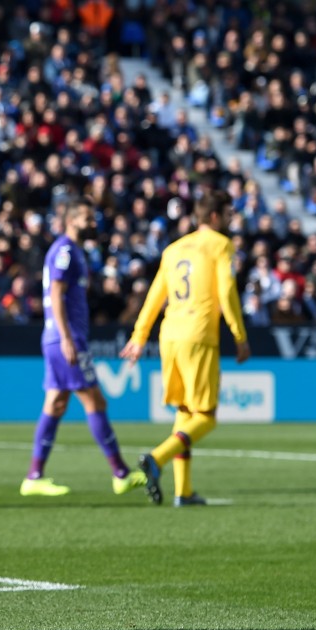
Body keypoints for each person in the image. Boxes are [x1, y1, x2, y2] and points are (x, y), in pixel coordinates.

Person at [121, 191, 250, 506]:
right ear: (215, 216)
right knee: (206, 416)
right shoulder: (221, 245)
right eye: (228, 214)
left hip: (170, 335)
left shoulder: (174, 248)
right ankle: (157, 458)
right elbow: (227, 291)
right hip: (199, 333)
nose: (231, 220)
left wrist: (139, 335)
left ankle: (184, 491)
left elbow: (155, 296)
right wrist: (239, 335)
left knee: (185, 412)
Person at [22, 201, 147, 497]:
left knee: (56, 403)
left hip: (59, 337)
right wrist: (67, 338)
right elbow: (56, 293)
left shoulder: (74, 251)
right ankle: (120, 473)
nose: (94, 223)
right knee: (94, 401)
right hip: (65, 338)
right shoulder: (65, 250)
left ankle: (34, 476)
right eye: (88, 218)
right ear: (72, 220)